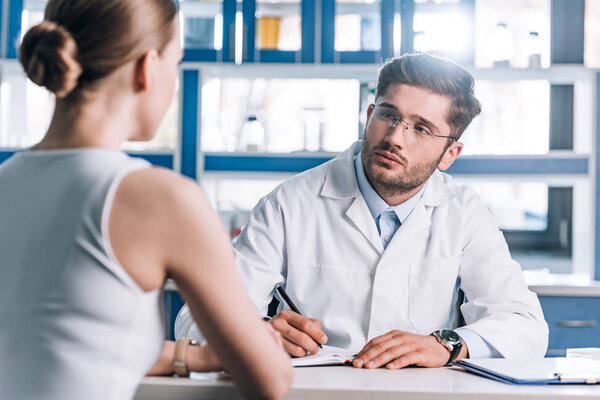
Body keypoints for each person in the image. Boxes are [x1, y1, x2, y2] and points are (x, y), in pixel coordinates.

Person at [176, 53, 548, 369]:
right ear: (369, 114)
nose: (395, 138)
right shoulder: (288, 204)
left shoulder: (463, 212)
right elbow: (195, 320)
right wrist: (254, 330)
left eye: (421, 129)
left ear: (450, 154)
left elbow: (526, 326)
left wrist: (447, 345)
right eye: (388, 115)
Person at [0, 1, 292, 399]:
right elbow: (270, 380)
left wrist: (195, 356)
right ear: (147, 67)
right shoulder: (161, 198)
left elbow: (64, 339)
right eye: (175, 62)